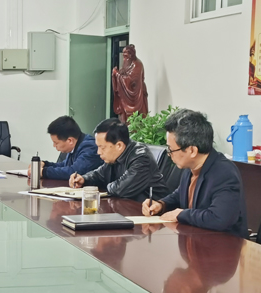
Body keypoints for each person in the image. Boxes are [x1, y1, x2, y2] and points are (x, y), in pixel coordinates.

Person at [142, 109, 248, 237]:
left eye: (171, 150)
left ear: (192, 150)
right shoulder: (191, 167)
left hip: (223, 244)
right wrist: (161, 204)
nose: (169, 155)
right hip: (195, 240)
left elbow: (219, 218)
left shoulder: (224, 173)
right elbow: (180, 195)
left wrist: (181, 214)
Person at [70, 118, 170, 202]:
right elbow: (99, 175)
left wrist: (107, 186)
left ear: (119, 145)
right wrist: (83, 179)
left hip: (150, 213)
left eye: (102, 147)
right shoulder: (114, 156)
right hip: (126, 207)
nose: (98, 152)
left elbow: (120, 189)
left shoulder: (141, 158)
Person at [27, 116, 103, 180]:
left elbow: (73, 172)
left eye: (56, 143)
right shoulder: (76, 144)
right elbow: (65, 165)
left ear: (70, 140)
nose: (54, 145)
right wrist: (44, 164)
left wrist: (43, 172)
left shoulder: (89, 147)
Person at [112, 44, 148, 123]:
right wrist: (117, 74)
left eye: (126, 56)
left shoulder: (137, 65)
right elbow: (123, 74)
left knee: (137, 121)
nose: (124, 59)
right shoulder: (127, 64)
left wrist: (117, 74)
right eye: (123, 56)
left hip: (137, 96)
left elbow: (131, 80)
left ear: (131, 55)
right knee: (125, 121)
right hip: (125, 97)